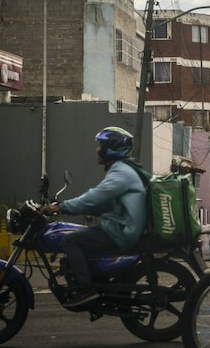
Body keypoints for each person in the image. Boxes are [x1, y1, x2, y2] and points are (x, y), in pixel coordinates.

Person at [42, 126, 147, 306]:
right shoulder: (122, 169)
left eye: (101, 146)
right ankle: (95, 280)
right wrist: (83, 209)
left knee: (71, 241)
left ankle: (86, 289)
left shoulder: (121, 172)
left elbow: (94, 197)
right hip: (122, 226)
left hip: (123, 231)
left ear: (111, 149)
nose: (97, 149)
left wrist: (61, 207)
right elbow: (103, 204)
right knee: (82, 236)